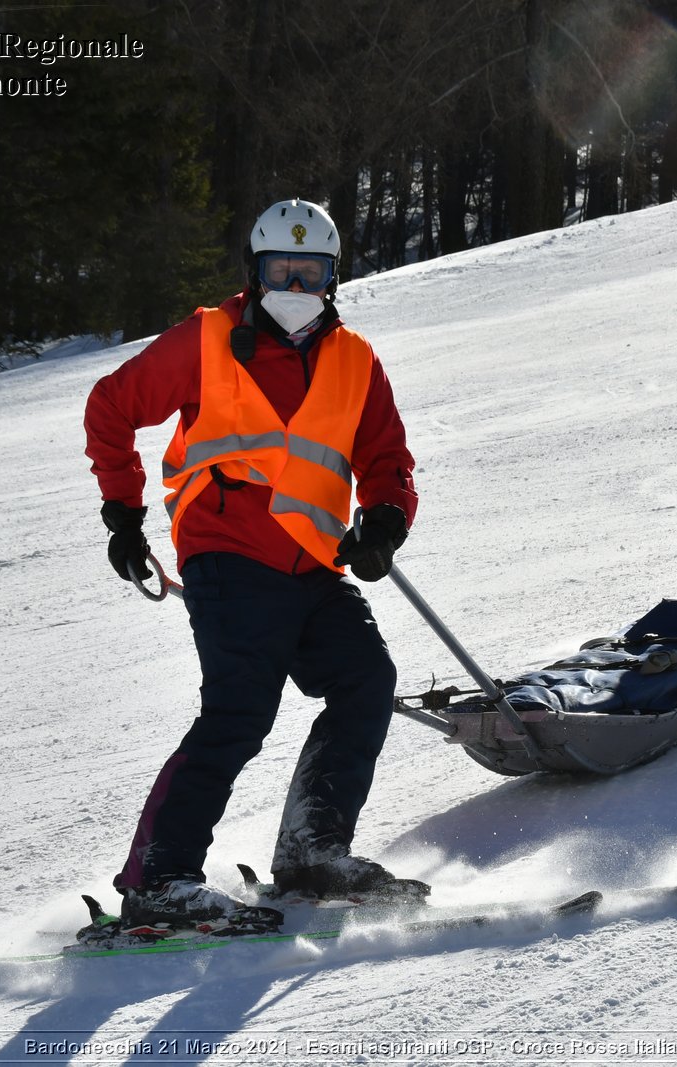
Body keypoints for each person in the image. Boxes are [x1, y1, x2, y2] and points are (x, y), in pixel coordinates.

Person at [83, 198, 426, 925]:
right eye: (280, 269)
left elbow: (387, 458)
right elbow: (111, 406)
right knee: (240, 711)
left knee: (366, 677)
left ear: (334, 277)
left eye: (312, 271)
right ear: (255, 270)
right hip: (228, 551)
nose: (294, 286)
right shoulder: (207, 339)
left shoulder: (354, 358)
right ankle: (159, 878)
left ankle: (311, 849)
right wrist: (123, 511)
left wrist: (386, 521)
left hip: (312, 562)